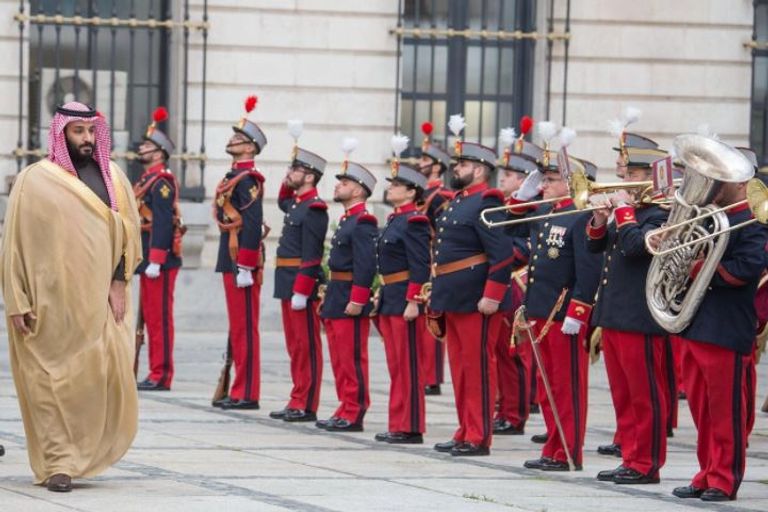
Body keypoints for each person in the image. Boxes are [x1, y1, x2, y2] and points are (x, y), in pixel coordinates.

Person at [0, 101, 142, 492]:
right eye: (78, 131)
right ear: (60, 133)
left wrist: (118, 282)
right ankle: (57, 463)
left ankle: (82, 453)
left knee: (96, 381)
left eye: (91, 131)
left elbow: (129, 234)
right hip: (48, 307)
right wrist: (17, 300)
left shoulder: (113, 178)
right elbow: (13, 246)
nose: (86, 138)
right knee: (46, 383)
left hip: (97, 303)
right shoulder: (35, 180)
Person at [666, 142, 767, 502]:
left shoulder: (753, 220)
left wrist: (694, 267)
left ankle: (724, 479)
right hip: (695, 323)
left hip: (725, 328)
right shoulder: (707, 216)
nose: (712, 183)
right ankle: (705, 472)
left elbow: (746, 270)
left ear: (740, 181)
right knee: (702, 411)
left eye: (719, 177)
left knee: (726, 413)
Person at [517, 126, 601, 472]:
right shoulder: (547, 213)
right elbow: (509, 227)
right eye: (543, 179)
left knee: (567, 387)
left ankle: (568, 450)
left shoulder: (580, 217)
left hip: (563, 314)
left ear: (570, 182)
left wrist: (578, 311)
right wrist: (521, 197)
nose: (543, 185)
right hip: (542, 310)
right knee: (547, 385)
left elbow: (589, 268)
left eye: (550, 179)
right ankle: (553, 446)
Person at [430, 118, 515, 457]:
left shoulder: (488, 202)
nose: (457, 168)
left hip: (477, 299)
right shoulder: (458, 201)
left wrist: (492, 295)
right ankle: (464, 429)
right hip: (454, 295)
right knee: (461, 369)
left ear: (480, 170)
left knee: (478, 368)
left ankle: (479, 436)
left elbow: (502, 255)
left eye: (463, 164)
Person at [587, 145, 671, 484]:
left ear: (651, 179)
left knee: (644, 394)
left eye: (633, 176)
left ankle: (646, 463)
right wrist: (599, 220)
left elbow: (638, 247)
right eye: (626, 174)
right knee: (623, 393)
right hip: (615, 314)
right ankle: (630, 456)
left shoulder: (662, 215)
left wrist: (623, 211)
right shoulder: (632, 213)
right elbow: (597, 248)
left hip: (640, 317)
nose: (624, 180)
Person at [316, 140, 378, 432]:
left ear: (358, 189)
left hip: (349, 296)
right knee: (340, 359)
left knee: (352, 358)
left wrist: (358, 298)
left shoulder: (364, 221)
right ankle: (344, 406)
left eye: (344, 182)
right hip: (337, 295)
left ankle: (355, 410)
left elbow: (365, 264)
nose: (337, 186)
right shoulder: (346, 220)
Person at [270, 123, 328, 423]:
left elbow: (312, 253)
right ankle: (296, 397)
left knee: (306, 346)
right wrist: (288, 172)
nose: (289, 174)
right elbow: (282, 198)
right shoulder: (296, 204)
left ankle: (306, 403)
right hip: (286, 281)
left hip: (300, 285)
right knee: (294, 346)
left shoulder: (315, 208)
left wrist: (303, 290)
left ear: (309, 176)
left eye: (295, 170)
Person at [212, 95, 266, 410]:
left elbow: (254, 221)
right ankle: (238, 389)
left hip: (241, 261)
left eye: (239, 138)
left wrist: (246, 265)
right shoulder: (234, 176)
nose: (232, 140)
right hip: (230, 257)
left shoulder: (249, 179)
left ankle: (247, 392)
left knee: (246, 327)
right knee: (238, 326)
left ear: (250, 148)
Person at [374, 155, 431, 444]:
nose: (391, 188)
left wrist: (414, 300)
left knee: (408, 366)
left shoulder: (415, 221)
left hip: (404, 300)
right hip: (390, 297)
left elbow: (420, 264)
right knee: (396, 365)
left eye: (398, 185)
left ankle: (410, 426)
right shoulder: (397, 219)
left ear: (411, 192)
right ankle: (397, 422)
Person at [492, 123, 538, 436]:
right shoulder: (502, 207)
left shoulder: (532, 208)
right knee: (499, 354)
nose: (502, 180)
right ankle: (504, 407)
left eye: (507, 175)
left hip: (518, 285)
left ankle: (514, 413)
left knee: (513, 355)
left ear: (522, 180)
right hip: (500, 283)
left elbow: (527, 248)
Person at [134, 106, 183, 391]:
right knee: (151, 317)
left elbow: (163, 222)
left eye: (147, 145)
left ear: (160, 153)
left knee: (160, 319)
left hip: (160, 261)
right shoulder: (145, 180)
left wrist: (155, 259)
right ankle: (154, 370)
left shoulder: (162, 182)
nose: (142, 148)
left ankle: (161, 373)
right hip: (148, 259)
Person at [416, 121, 454, 395]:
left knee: (431, 318)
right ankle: (422, 371)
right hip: (416, 260)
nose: (419, 163)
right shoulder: (420, 192)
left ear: (438, 166)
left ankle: (431, 376)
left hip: (431, 260)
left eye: (425, 160)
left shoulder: (441, 196)